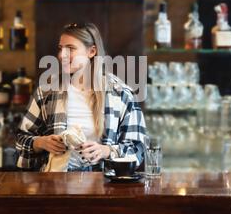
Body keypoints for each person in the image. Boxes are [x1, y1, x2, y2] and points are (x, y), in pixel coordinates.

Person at [16, 22, 146, 171]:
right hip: (54, 186)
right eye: (60, 49)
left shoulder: (121, 94)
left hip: (103, 187)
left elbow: (138, 148)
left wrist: (106, 151)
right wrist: (40, 142)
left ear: (91, 52)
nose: (61, 55)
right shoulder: (47, 90)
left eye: (70, 49)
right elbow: (21, 140)